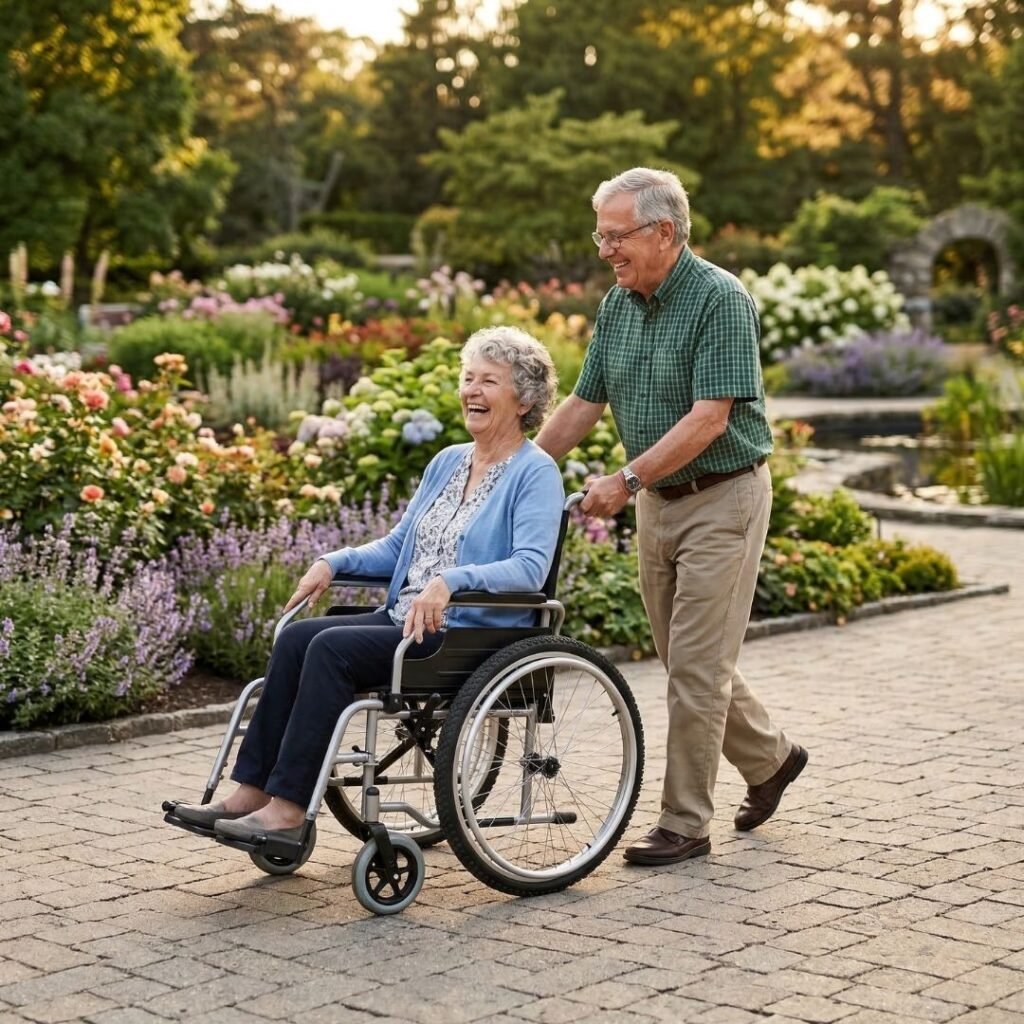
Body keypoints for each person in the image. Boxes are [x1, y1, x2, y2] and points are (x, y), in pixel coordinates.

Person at [170, 325, 563, 845]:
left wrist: (452, 581)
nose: (471, 390)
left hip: (466, 631)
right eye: (468, 378)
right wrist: (332, 562)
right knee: (296, 638)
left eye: (488, 381)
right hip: (406, 620)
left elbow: (530, 568)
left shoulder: (536, 473)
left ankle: (288, 812)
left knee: (332, 649)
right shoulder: (448, 461)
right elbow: (401, 546)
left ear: (524, 399)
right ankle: (250, 793)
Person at [535, 167, 806, 866]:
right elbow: (584, 403)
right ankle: (772, 760)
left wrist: (624, 480)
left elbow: (711, 420)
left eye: (615, 234)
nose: (605, 249)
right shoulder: (619, 303)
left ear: (664, 231)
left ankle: (685, 822)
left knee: (693, 668)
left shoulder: (720, 299)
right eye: (600, 234)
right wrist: (518, 471)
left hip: (724, 497)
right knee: (689, 659)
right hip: (661, 503)